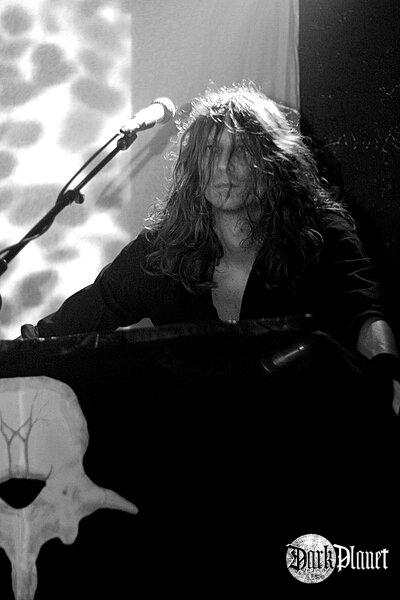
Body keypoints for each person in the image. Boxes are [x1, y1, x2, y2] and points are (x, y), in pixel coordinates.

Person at [20, 84, 399, 409]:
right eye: (211, 151)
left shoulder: (318, 232)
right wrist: (19, 356)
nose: (222, 166)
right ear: (194, 163)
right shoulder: (162, 249)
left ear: (272, 162)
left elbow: (365, 313)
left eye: (240, 151)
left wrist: (386, 376)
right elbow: (85, 315)